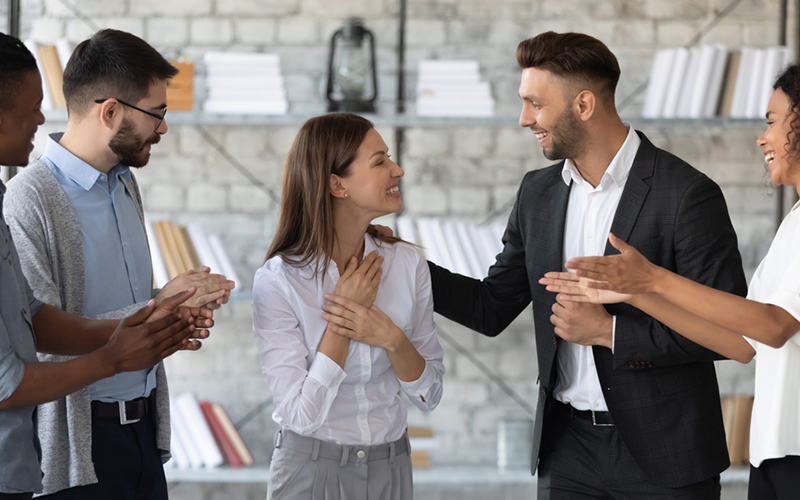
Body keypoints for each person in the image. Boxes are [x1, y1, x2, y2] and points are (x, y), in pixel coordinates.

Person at [425, 31, 748, 498]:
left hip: (667, 454)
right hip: (568, 451)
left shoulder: (687, 195)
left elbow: (726, 333)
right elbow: (491, 307)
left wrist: (607, 332)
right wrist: (402, 264)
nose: (523, 119)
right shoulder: (537, 194)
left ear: (583, 105)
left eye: (535, 103)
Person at [540, 63, 800, 500]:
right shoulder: (793, 222)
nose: (762, 138)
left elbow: (776, 327)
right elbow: (740, 343)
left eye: (773, 122)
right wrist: (639, 293)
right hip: (776, 452)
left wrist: (654, 280)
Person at [3, 29, 235, 499]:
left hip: (144, 432)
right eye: (158, 113)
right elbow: (31, 343)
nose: (164, 128)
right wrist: (141, 326)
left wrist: (161, 313)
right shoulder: (29, 199)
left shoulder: (126, 185)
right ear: (110, 112)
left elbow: (55, 318)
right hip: (80, 446)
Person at [252, 113, 445, 500]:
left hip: (391, 467)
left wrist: (391, 338)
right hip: (309, 472)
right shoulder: (279, 281)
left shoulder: (406, 264)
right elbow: (301, 416)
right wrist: (344, 317)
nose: (398, 169)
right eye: (380, 162)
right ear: (337, 185)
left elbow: (430, 394)